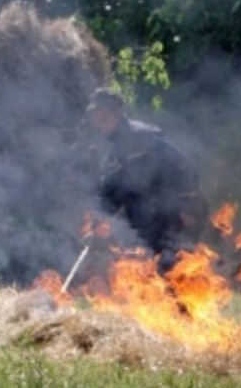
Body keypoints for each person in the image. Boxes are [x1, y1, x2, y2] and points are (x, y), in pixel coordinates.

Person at [86, 87, 208, 270]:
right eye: (98, 121)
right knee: (144, 275)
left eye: (105, 118)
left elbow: (182, 166)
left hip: (173, 218)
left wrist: (188, 203)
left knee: (172, 270)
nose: (101, 125)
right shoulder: (112, 158)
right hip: (145, 228)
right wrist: (97, 221)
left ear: (119, 112)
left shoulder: (144, 136)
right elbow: (107, 194)